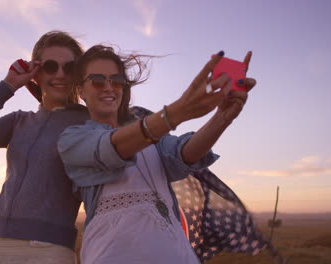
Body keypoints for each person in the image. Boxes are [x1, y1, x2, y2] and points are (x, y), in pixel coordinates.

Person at [57, 45, 256, 264]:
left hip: (175, 253)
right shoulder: (73, 139)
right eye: (97, 80)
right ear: (81, 90)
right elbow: (109, 148)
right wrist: (178, 111)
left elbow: (184, 153)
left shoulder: (154, 137)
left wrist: (223, 118)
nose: (108, 88)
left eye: (116, 80)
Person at [0, 31, 88, 264]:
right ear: (36, 73)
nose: (60, 74)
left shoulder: (89, 123)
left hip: (50, 249)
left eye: (70, 68)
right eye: (50, 66)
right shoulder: (18, 122)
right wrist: (8, 86)